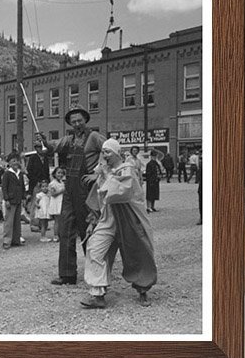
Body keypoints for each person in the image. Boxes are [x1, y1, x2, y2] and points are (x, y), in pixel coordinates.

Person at [80, 138, 159, 310]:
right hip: (109, 219)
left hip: (128, 219)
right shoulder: (104, 171)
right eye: (103, 151)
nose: (104, 155)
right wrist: (92, 219)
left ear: (116, 153)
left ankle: (142, 289)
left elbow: (120, 193)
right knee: (95, 248)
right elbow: (98, 198)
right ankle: (98, 294)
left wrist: (105, 175)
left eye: (107, 151)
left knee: (137, 252)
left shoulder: (127, 169)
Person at [42, 107, 104, 285]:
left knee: (88, 231)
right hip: (70, 189)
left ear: (85, 120)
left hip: (86, 189)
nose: (77, 124)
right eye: (73, 121)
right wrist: (44, 142)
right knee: (65, 230)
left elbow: (112, 152)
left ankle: (95, 274)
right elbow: (52, 147)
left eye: (79, 120)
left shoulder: (94, 137)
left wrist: (98, 173)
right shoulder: (68, 140)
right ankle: (67, 274)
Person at [0, 152, 26, 249]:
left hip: (18, 199)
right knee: (9, 221)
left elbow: (22, 186)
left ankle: (16, 239)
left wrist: (23, 197)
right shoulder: (7, 174)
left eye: (17, 160)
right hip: (11, 199)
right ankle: (7, 240)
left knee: (17, 221)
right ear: (9, 162)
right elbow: (4, 187)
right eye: (13, 160)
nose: (16, 162)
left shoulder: (20, 173)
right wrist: (6, 199)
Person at [26, 136, 51, 223]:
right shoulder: (33, 158)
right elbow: (29, 172)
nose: (41, 149)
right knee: (35, 203)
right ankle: (34, 223)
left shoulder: (46, 159)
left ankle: (42, 222)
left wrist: (48, 182)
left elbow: (47, 172)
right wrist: (36, 181)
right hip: (36, 184)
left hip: (45, 184)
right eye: (39, 147)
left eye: (42, 147)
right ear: (36, 148)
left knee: (44, 203)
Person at [47, 167, 65, 242]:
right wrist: (61, 191)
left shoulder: (62, 182)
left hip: (61, 201)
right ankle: (55, 235)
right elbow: (53, 194)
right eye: (58, 173)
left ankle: (61, 234)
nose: (60, 174)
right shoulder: (52, 184)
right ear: (54, 174)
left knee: (61, 219)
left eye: (61, 173)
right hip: (56, 202)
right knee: (57, 220)